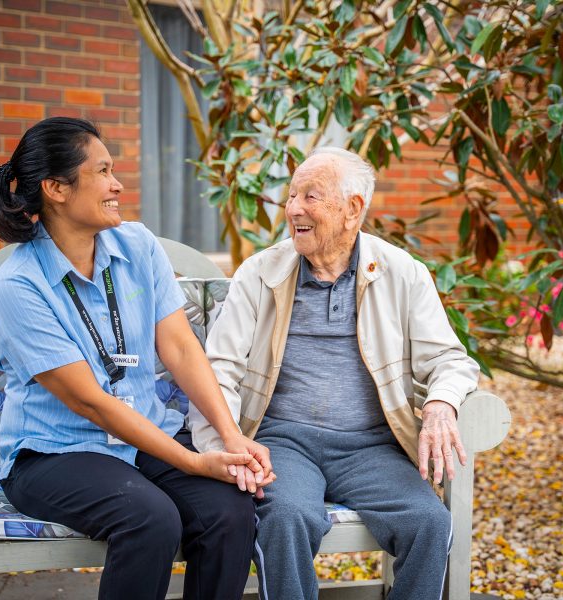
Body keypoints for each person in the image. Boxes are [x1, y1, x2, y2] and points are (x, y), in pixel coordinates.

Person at [0, 117, 274, 600]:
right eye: (102, 172)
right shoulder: (17, 286)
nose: (117, 184)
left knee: (229, 511)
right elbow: (92, 404)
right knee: (149, 518)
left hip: (146, 434)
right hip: (55, 453)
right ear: (56, 188)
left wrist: (230, 439)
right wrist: (192, 461)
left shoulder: (136, 245)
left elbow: (181, 348)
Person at [189, 147, 480, 600]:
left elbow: (450, 359)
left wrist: (442, 402)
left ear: (352, 210)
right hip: (283, 442)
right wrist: (225, 443)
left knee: (429, 522)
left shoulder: (403, 273)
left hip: (371, 446)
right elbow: (220, 367)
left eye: (310, 196)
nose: (293, 209)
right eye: (291, 197)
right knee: (287, 519)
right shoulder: (260, 273)